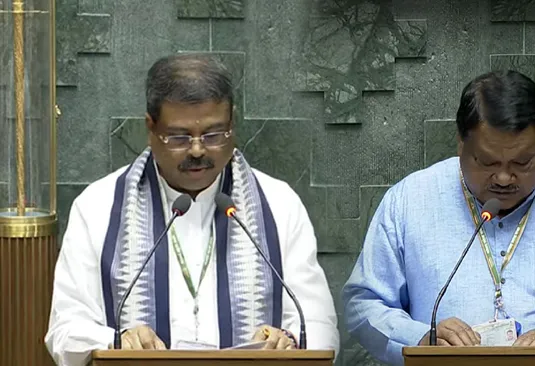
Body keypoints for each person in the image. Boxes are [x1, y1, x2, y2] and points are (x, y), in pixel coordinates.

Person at [45, 53, 339, 366]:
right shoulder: (98, 208)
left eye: (213, 135)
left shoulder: (280, 205)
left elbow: (320, 326)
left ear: (232, 123)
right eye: (179, 137)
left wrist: (288, 341)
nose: (197, 150)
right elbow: (64, 332)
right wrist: (116, 342)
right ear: (151, 128)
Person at [341, 70, 535, 365]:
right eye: (487, 161)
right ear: (461, 144)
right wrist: (422, 338)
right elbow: (364, 302)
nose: (504, 178)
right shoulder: (409, 200)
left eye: (522, 161)